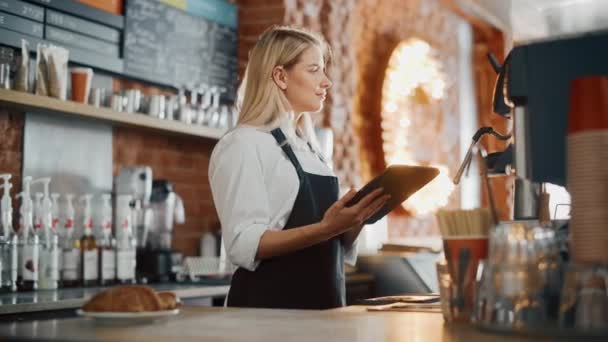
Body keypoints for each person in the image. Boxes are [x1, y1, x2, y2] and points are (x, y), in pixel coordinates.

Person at [209, 26, 389, 310]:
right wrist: (326, 228)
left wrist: (353, 222)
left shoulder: (312, 150)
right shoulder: (243, 144)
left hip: (325, 310)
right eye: (314, 70)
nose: (326, 82)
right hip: (266, 314)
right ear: (280, 76)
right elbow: (245, 244)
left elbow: (332, 245)